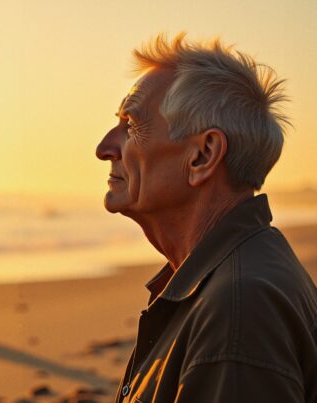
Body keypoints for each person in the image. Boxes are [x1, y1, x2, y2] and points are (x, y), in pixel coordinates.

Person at [96, 34, 317, 402]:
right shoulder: (229, 280)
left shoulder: (237, 311)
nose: (104, 148)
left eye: (131, 124)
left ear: (202, 156)